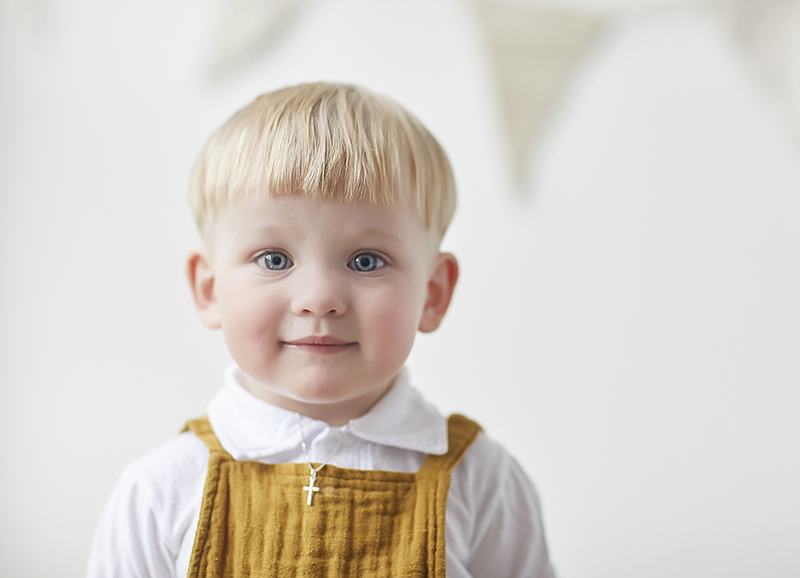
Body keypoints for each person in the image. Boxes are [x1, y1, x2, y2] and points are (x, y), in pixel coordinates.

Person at [86, 82, 555, 577]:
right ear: (209, 289)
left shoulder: (483, 484)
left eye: (366, 260)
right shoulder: (161, 491)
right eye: (274, 258)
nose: (318, 298)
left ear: (433, 294)